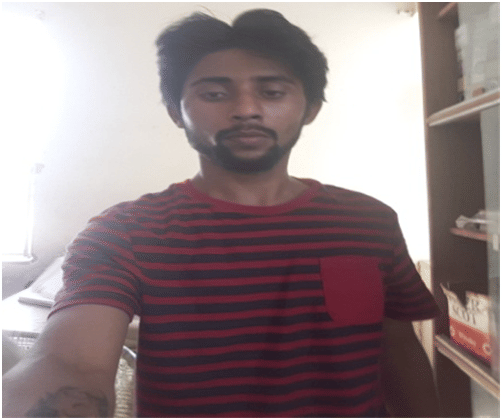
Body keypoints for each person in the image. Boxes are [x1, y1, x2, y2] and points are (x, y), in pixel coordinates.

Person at [3, 9, 441, 417]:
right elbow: (71, 363)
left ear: (310, 108)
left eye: (272, 92)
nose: (246, 109)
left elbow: (399, 351)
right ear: (176, 112)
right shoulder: (127, 233)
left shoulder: (368, 223)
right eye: (214, 94)